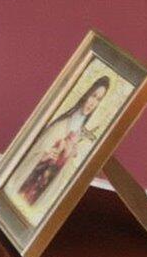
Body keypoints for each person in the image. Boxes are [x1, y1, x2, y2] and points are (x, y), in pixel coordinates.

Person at [14, 73, 115, 211]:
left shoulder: (80, 134)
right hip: (28, 185)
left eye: (98, 99)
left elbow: (67, 176)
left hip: (42, 194)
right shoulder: (61, 125)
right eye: (93, 96)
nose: (93, 103)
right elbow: (35, 152)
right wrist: (46, 155)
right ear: (86, 94)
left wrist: (70, 156)